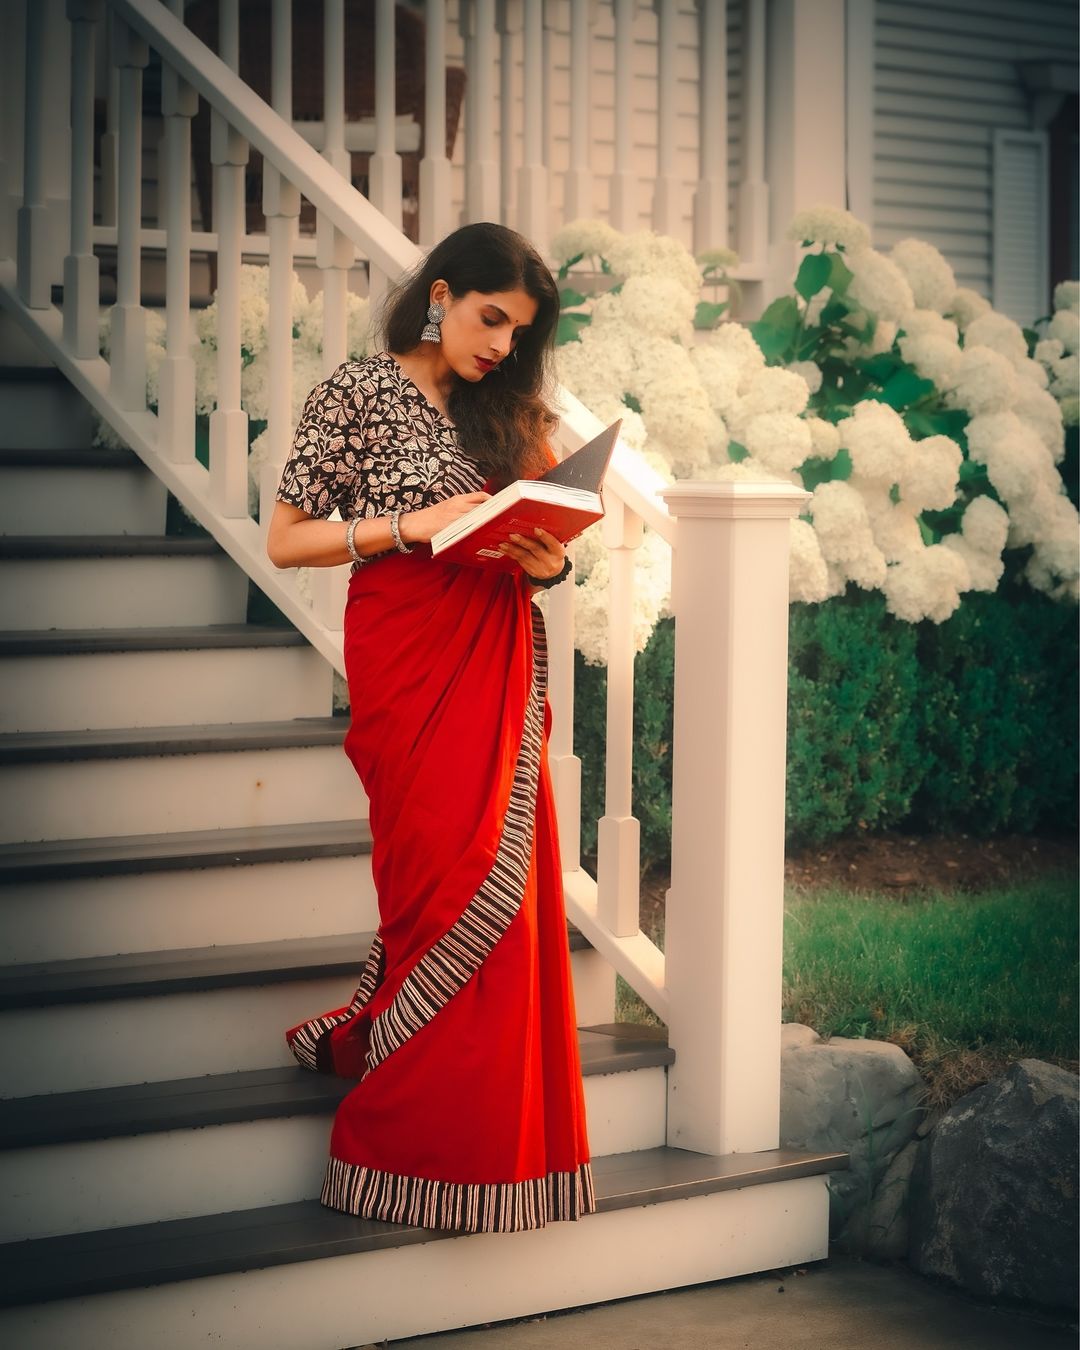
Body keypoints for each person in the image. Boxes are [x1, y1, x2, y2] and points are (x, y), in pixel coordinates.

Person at [266, 222, 597, 1234]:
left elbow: (548, 529)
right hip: (407, 650)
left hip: (493, 651)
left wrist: (550, 564)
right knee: (431, 879)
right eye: (491, 318)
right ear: (442, 294)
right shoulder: (358, 394)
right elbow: (286, 540)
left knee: (502, 893)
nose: (501, 344)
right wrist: (405, 527)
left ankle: (487, 1153)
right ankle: (403, 1143)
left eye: (518, 332)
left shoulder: (511, 414)